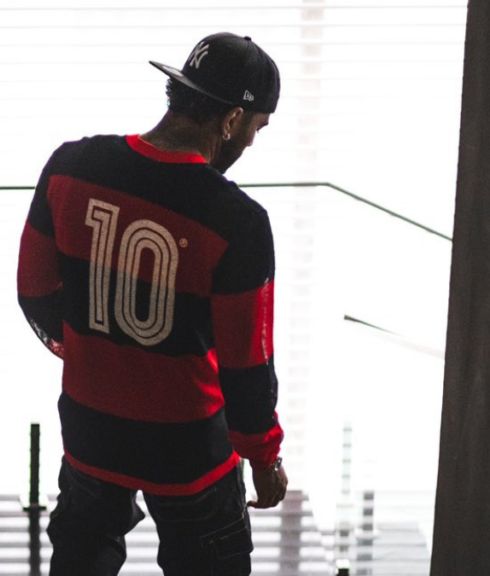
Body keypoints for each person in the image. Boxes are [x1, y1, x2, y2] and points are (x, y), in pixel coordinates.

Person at [16, 32, 288, 576]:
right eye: (255, 129)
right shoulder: (238, 223)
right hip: (193, 457)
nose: (251, 144)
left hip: (91, 438)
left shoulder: (71, 167)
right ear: (232, 119)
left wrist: (98, 355)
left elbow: (34, 290)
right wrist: (264, 459)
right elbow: (246, 369)